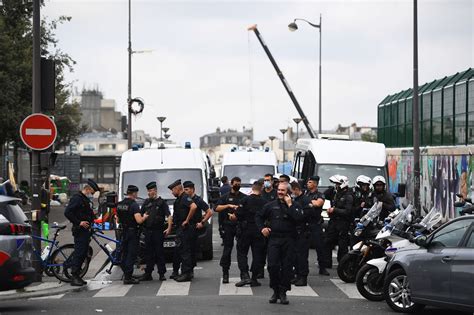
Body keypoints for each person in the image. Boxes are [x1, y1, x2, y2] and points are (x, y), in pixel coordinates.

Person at [256, 182, 303, 305]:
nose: (280, 192)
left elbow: (299, 219)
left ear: (288, 192)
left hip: (289, 239)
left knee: (287, 267)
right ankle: (275, 290)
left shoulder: (295, 205)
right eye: (279, 190)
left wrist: (290, 205)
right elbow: (259, 217)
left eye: (283, 190)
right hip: (274, 239)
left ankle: (283, 292)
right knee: (272, 266)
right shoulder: (270, 205)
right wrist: (262, 228)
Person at [64, 179, 100, 286]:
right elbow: (67, 212)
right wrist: (79, 222)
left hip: (86, 231)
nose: (92, 195)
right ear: (87, 189)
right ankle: (74, 276)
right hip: (80, 231)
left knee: (83, 252)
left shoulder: (84, 199)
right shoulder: (77, 199)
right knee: (79, 253)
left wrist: (94, 218)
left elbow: (88, 213)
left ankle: (78, 276)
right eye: (92, 192)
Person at [231, 181, 266, 287]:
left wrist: (233, 217)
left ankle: (245, 275)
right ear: (262, 188)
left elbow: (238, 215)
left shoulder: (245, 200)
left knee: (242, 253)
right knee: (257, 255)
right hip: (259, 231)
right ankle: (254, 278)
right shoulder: (265, 202)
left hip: (245, 230)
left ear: (252, 188)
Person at [214, 176, 246, 284]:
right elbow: (216, 208)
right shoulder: (225, 197)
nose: (237, 185)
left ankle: (244, 274)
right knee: (227, 250)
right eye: (236, 183)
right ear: (231, 184)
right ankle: (225, 273)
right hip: (228, 226)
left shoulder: (244, 197)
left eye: (239, 183)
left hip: (240, 226)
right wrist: (228, 205)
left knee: (241, 250)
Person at [139, 181, 171, 282]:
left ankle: (162, 274)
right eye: (148, 191)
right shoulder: (146, 202)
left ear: (155, 191)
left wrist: (169, 228)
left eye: (151, 190)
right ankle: (148, 273)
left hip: (158, 231)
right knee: (148, 253)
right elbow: (140, 215)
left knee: (159, 253)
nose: (149, 193)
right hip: (148, 231)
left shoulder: (162, 202)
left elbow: (169, 216)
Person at [117, 185, 149, 284]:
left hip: (123, 232)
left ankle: (126, 274)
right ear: (134, 193)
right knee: (131, 254)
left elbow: (117, 219)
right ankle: (128, 277)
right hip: (132, 232)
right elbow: (139, 221)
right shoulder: (134, 205)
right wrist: (145, 217)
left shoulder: (119, 204)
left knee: (125, 254)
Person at [168, 179, 198, 282]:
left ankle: (186, 273)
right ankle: (184, 272)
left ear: (177, 189)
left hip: (185, 229)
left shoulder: (185, 197)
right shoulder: (178, 200)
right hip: (180, 228)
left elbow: (193, 207)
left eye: (172, 190)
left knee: (185, 251)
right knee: (182, 250)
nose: (172, 193)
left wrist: (187, 220)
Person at [183, 180, 213, 270]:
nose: (185, 191)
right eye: (184, 189)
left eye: (187, 189)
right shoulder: (185, 199)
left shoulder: (198, 200)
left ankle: (190, 269)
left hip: (194, 227)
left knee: (191, 249)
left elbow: (209, 212)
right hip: (186, 227)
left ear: (192, 189)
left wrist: (202, 222)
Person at [325, 175, 353, 264]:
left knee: (342, 245)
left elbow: (347, 211)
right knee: (328, 241)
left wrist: (335, 210)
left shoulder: (348, 196)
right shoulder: (336, 193)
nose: (336, 185)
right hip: (333, 222)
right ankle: (327, 262)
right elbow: (325, 195)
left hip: (343, 223)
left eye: (337, 184)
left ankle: (342, 264)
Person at [305, 176, 330, 275]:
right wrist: (310, 203)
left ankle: (322, 267)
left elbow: (319, 203)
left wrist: (308, 203)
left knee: (320, 247)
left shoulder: (319, 194)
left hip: (316, 224)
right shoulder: (306, 194)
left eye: (310, 182)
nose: (308, 184)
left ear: (315, 184)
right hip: (306, 224)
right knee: (303, 247)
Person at [218, 176, 231, 246]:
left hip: (221, 208)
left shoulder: (220, 189)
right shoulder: (230, 188)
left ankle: (223, 239)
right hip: (229, 208)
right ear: (227, 180)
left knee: (221, 224)